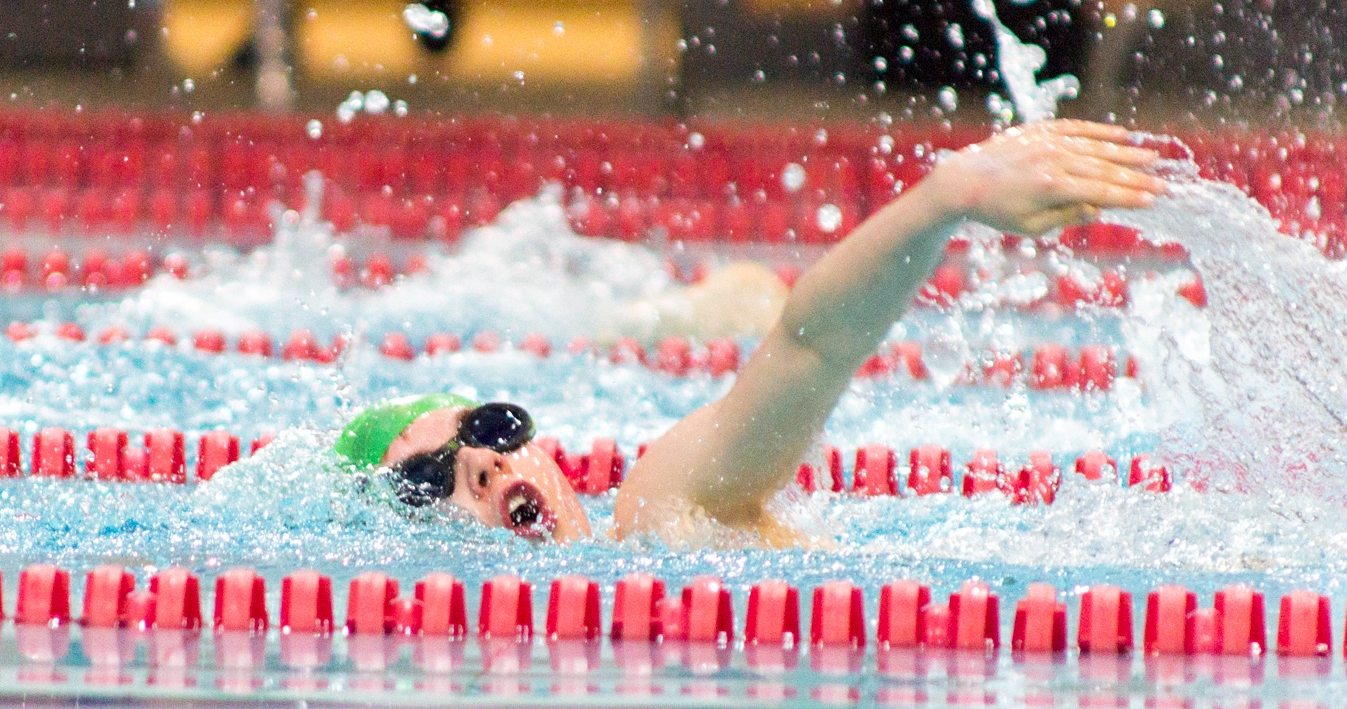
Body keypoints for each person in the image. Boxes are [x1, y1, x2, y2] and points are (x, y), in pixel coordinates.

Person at [333, 119, 1166, 546]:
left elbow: (809, 345)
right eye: (428, 477)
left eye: (489, 428)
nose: (481, 462)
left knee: (753, 306)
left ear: (540, 448)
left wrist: (944, 197)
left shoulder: (658, 507)